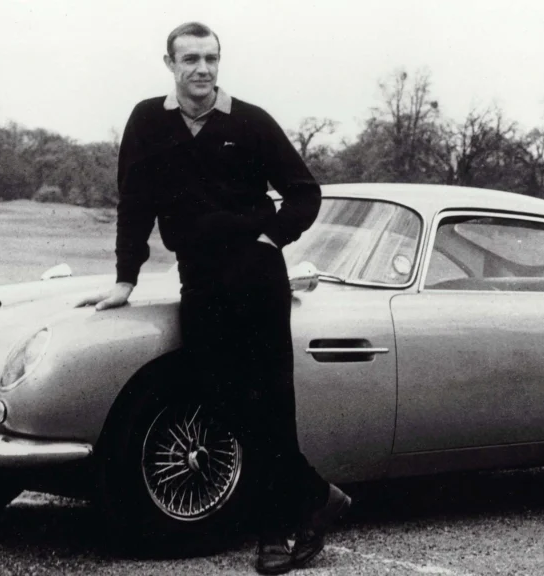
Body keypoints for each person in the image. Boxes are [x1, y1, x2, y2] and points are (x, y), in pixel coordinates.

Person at [77, 22, 350, 575]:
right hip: (198, 277)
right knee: (220, 396)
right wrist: (125, 279)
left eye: (210, 58)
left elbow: (304, 193)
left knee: (269, 401)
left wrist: (271, 237)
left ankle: (275, 530)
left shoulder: (250, 121)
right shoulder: (147, 121)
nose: (202, 69)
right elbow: (135, 204)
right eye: (190, 59)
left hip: (255, 274)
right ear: (170, 64)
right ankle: (315, 495)